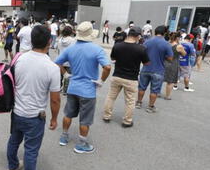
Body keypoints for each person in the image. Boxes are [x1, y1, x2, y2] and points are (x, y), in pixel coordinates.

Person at [6, 25, 60, 170]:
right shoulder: (52, 67)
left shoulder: (19, 58)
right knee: (31, 149)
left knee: (14, 140)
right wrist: (54, 118)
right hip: (35, 116)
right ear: (49, 42)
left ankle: (12, 166)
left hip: (17, 111)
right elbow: (55, 100)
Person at [55, 21, 111, 153]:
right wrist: (101, 80)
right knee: (85, 119)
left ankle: (64, 137)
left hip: (73, 87)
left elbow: (57, 62)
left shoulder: (71, 48)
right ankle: (82, 144)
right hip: (88, 90)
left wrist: (66, 74)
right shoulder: (97, 49)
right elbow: (107, 67)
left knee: (68, 113)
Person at [102, 26, 150, 127]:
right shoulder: (141, 48)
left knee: (111, 97)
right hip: (131, 78)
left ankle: (106, 116)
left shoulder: (118, 45)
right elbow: (146, 63)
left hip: (117, 75)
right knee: (130, 101)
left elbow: (112, 58)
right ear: (138, 36)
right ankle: (127, 121)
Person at [136, 26, 173, 113]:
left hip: (145, 68)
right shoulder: (166, 44)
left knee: (142, 87)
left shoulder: (147, 41)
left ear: (155, 32)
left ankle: (138, 103)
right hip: (158, 70)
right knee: (154, 90)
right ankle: (150, 107)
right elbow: (170, 58)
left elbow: (141, 53)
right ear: (164, 33)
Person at [162, 32, 186, 99]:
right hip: (173, 64)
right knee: (170, 81)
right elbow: (184, 54)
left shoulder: (166, 44)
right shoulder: (179, 46)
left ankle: (157, 93)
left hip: (164, 62)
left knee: (161, 78)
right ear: (178, 38)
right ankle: (167, 96)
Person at [57, 26, 76, 95]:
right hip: (69, 61)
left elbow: (58, 50)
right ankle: (65, 90)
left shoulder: (59, 40)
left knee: (60, 76)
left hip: (61, 61)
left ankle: (58, 88)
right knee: (68, 76)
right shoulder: (73, 40)